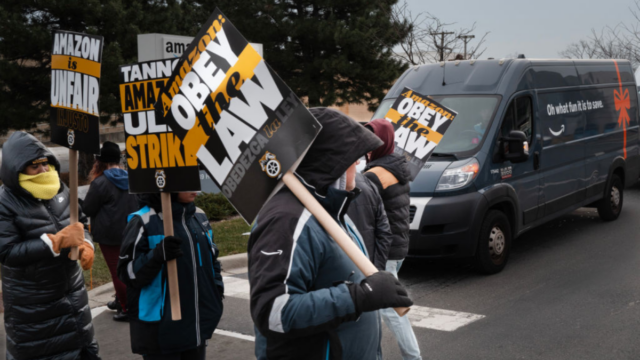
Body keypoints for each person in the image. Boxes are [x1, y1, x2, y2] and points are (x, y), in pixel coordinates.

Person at [249, 108, 413, 360]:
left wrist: (373, 285)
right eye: (352, 157)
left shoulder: (333, 210)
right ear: (330, 161)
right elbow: (272, 312)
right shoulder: (286, 219)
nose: (358, 164)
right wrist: (360, 296)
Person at [0, 131, 99, 360]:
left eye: (45, 163)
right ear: (17, 169)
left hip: (74, 300)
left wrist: (87, 244)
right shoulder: (5, 202)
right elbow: (6, 252)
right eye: (35, 166)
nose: (44, 171)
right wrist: (53, 243)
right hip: (34, 309)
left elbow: (80, 224)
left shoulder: (61, 188)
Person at [117, 191, 224, 359]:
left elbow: (212, 259)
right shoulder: (143, 221)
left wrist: (216, 290)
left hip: (198, 325)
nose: (193, 187)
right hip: (161, 331)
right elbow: (126, 272)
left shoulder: (199, 216)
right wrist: (157, 255)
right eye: (184, 181)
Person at [364, 119, 421, 360]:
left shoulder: (377, 173)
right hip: (397, 248)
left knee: (391, 310)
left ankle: (413, 357)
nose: (367, 146)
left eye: (371, 141)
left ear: (383, 142)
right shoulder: (397, 165)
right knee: (374, 309)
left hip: (384, 250)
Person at [83, 141, 139, 321]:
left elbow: (88, 209)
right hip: (133, 230)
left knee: (118, 272)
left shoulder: (100, 182)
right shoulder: (132, 178)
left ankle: (126, 307)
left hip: (110, 235)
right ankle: (121, 299)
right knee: (129, 268)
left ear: (99, 162)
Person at [347, 167, 393, 271]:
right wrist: (377, 270)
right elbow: (384, 233)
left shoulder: (315, 187)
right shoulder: (368, 183)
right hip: (367, 265)